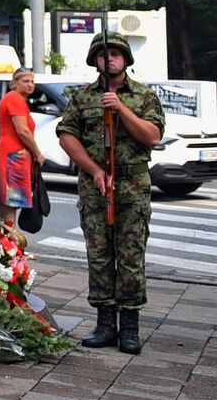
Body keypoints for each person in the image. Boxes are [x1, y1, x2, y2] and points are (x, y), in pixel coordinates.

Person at [57, 33, 164, 353]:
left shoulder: (143, 96)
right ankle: (105, 325)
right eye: (104, 55)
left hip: (132, 186)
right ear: (95, 61)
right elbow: (66, 135)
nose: (111, 59)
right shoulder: (82, 97)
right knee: (99, 255)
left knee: (131, 256)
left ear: (126, 59)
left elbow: (152, 136)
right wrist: (95, 170)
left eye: (117, 54)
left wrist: (120, 109)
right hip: (96, 187)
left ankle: (129, 328)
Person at [0, 68, 43, 234]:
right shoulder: (15, 99)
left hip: (10, 154)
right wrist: (37, 153)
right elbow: (23, 131)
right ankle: (8, 249)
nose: (30, 85)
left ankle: (3, 247)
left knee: (7, 206)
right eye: (25, 81)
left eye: (32, 81)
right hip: (14, 156)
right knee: (11, 205)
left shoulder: (13, 99)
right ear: (14, 83)